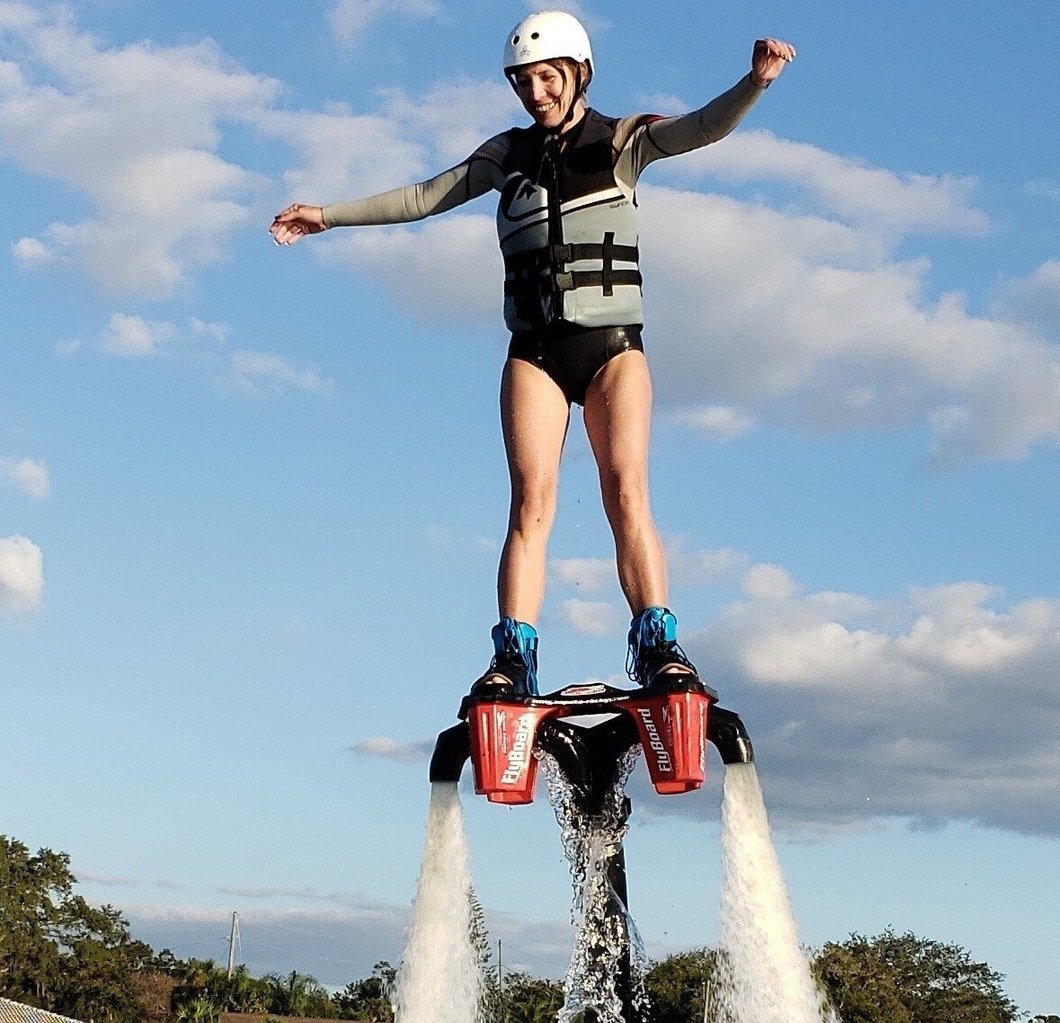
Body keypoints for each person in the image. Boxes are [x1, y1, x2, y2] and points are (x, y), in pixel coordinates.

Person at [271, 12, 794, 698]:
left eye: (548, 77)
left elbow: (704, 127)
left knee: (626, 491)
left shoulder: (624, 141)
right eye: (523, 80)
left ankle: (660, 646)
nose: (536, 91)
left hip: (612, 350)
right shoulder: (504, 153)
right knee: (530, 503)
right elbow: (426, 196)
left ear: (578, 75)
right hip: (536, 354)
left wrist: (753, 83)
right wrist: (328, 215)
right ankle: (513, 658)